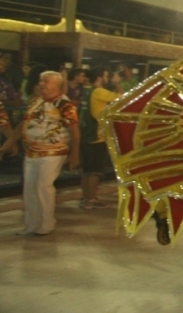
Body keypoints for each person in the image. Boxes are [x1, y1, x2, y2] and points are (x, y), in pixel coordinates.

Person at [0, 71, 80, 235]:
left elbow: (74, 131)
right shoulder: (36, 101)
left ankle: (46, 225)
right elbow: (22, 125)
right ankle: (31, 225)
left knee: (43, 187)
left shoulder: (64, 104)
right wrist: (5, 147)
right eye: (41, 81)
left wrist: (74, 153)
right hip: (31, 152)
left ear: (56, 85)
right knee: (29, 189)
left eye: (46, 81)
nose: (41, 84)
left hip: (53, 152)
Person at [79, 67, 120, 209]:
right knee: (95, 171)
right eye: (106, 75)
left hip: (86, 135)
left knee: (86, 170)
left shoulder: (88, 91)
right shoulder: (99, 91)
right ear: (99, 77)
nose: (107, 78)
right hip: (98, 136)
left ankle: (86, 198)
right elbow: (122, 98)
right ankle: (91, 199)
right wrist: (116, 83)